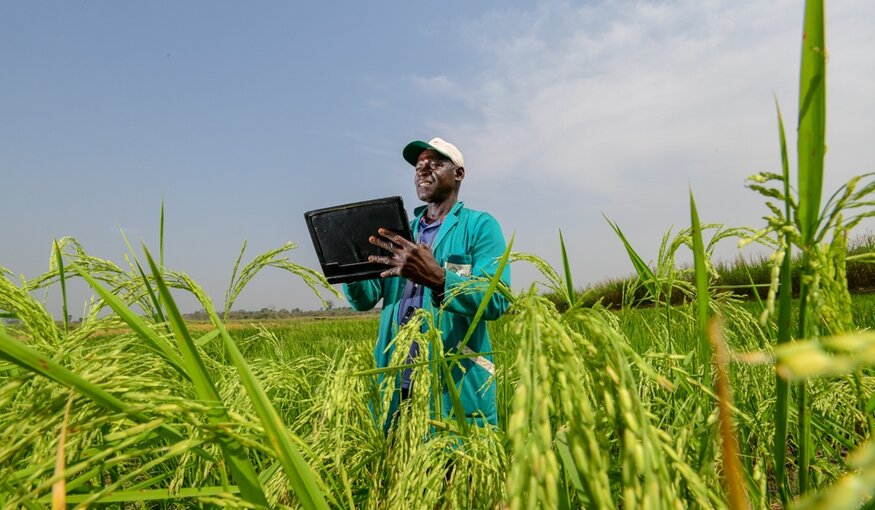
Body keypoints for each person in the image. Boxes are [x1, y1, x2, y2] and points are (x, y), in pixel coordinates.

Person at [342, 137, 511, 430]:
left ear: (458, 173)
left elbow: (497, 298)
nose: (423, 171)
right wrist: (349, 264)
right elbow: (364, 299)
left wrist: (440, 279)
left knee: (456, 469)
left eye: (434, 164)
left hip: (453, 381)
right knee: (397, 469)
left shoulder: (479, 226)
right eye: (419, 166)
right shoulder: (399, 234)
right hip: (396, 381)